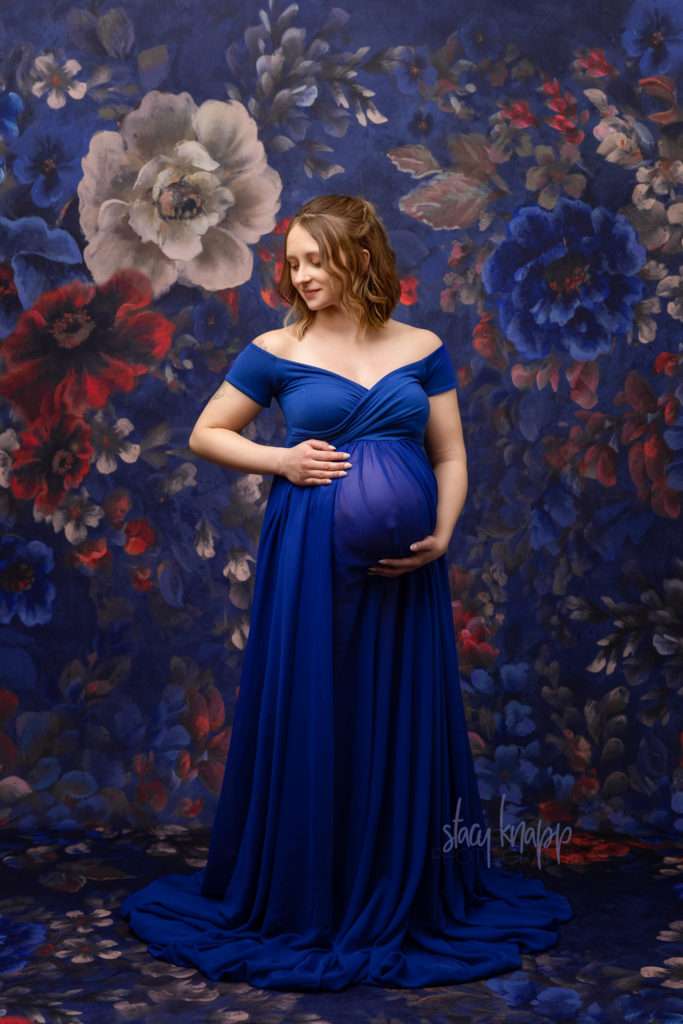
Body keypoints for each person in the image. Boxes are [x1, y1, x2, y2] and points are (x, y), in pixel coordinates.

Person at [120, 193, 573, 991]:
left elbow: (450, 456)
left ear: (359, 258)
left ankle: (396, 878)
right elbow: (207, 432)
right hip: (308, 563)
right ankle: (309, 894)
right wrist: (283, 462)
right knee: (314, 710)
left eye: (313, 260)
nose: (300, 276)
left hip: (408, 577)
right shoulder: (274, 349)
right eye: (291, 263)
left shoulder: (423, 346)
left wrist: (442, 531)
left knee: (391, 716)